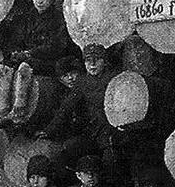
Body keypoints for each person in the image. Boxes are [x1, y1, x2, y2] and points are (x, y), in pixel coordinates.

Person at [0, 0, 72, 127]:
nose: (40, 1)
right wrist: (16, 52)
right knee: (2, 68)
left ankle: (18, 112)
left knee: (24, 68)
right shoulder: (28, 18)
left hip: (48, 60)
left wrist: (31, 53)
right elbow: (18, 38)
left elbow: (57, 45)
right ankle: (1, 113)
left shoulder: (58, 18)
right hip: (27, 56)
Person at [38, 43, 118, 177]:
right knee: (69, 149)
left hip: (112, 132)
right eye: (88, 60)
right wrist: (48, 130)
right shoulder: (82, 82)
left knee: (110, 162)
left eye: (97, 59)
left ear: (104, 61)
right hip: (92, 133)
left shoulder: (114, 78)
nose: (92, 64)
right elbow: (66, 107)